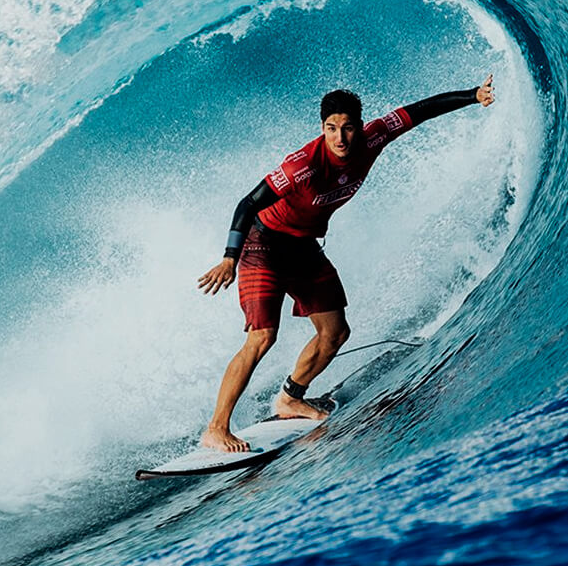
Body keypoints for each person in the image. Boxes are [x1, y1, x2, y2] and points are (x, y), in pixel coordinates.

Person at [194, 74, 497, 452]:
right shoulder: (300, 166)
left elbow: (418, 112)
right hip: (264, 245)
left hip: (303, 246)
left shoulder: (373, 138)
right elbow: (247, 204)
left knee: (335, 332)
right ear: (322, 128)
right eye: (331, 128)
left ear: (359, 126)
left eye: (348, 128)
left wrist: (473, 96)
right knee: (262, 337)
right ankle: (217, 427)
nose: (340, 138)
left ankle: (291, 398)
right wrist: (228, 258)